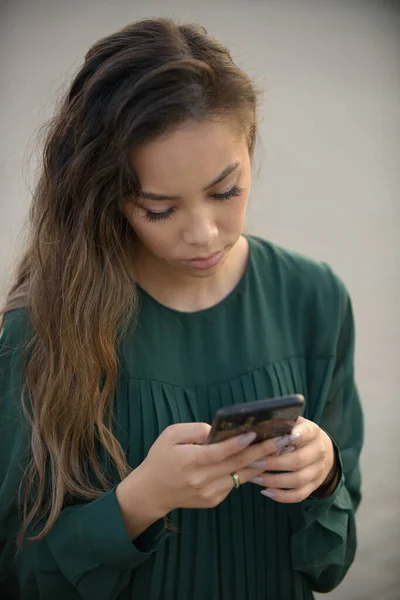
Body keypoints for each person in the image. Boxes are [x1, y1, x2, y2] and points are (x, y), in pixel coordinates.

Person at [0, 17, 363, 600]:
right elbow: (17, 575)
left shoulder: (314, 298)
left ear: (251, 150)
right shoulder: (41, 329)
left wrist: (324, 478)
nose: (202, 233)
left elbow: (330, 565)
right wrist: (139, 502)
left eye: (226, 192)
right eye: (159, 209)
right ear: (106, 195)